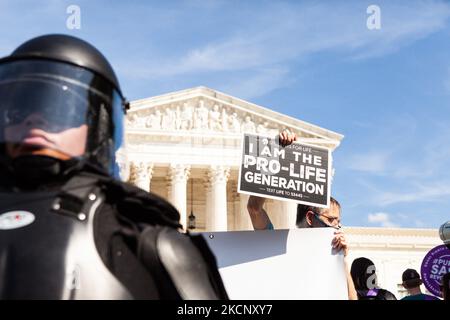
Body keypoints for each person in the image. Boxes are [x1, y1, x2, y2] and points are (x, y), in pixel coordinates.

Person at [0, 34, 227, 300]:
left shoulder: (145, 241)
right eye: (18, 111)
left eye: (64, 112)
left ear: (99, 131)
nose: (35, 121)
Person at [246, 129, 357, 300]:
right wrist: (275, 155)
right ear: (310, 218)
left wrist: (342, 259)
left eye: (339, 221)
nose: (337, 226)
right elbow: (254, 208)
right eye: (332, 220)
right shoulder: (282, 246)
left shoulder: (332, 255)